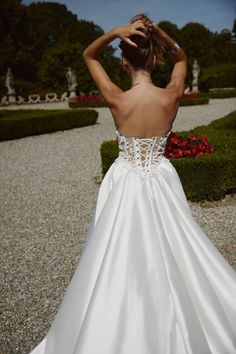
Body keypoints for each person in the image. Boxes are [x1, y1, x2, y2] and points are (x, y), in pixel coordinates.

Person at [29, 13, 236, 354]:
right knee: (175, 246)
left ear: (124, 62)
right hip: (161, 178)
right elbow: (182, 57)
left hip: (125, 181)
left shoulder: (116, 98)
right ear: (155, 58)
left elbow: (88, 55)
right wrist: (159, 34)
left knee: (114, 253)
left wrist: (115, 32)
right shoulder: (172, 94)